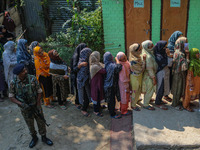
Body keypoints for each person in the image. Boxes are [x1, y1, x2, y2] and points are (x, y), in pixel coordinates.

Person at [9, 64, 53, 148]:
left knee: (41, 122)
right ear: (18, 74)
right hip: (25, 109)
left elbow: (39, 91)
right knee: (30, 124)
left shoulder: (32, 78)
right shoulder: (13, 83)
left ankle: (44, 137)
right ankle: (34, 138)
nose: (25, 71)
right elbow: (11, 97)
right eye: (23, 71)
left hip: (36, 106)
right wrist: (21, 104)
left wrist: (37, 103)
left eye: (25, 69)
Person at [154, 41, 173, 110]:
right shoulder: (159, 56)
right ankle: (157, 103)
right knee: (160, 88)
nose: (166, 48)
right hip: (161, 73)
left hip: (165, 72)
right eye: (165, 47)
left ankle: (160, 100)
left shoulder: (162, 54)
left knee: (164, 87)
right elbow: (169, 64)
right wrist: (168, 55)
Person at [171, 37, 189, 110]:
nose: (187, 45)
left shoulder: (177, 51)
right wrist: (187, 56)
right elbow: (185, 67)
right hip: (179, 74)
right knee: (178, 89)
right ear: (181, 44)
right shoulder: (180, 54)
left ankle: (177, 102)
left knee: (178, 88)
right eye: (185, 43)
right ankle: (175, 104)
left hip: (177, 73)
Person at [165, 31, 183, 102]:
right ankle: (166, 95)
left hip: (179, 65)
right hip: (171, 66)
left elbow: (186, 50)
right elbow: (169, 56)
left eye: (181, 36)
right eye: (179, 36)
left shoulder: (182, 44)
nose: (180, 38)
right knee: (169, 80)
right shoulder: (170, 46)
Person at [104, 52, 122, 119]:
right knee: (112, 100)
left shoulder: (106, 64)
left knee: (110, 100)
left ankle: (111, 110)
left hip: (107, 85)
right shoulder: (111, 65)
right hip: (110, 85)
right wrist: (117, 60)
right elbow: (119, 67)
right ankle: (112, 114)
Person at [129, 43, 146, 111]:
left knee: (139, 89)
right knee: (135, 91)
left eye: (141, 49)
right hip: (135, 77)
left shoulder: (138, 57)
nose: (140, 51)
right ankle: (133, 105)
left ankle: (137, 100)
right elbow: (141, 70)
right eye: (139, 50)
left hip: (138, 76)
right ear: (134, 51)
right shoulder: (134, 61)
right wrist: (144, 61)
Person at [89, 51, 106, 117]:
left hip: (98, 82)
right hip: (96, 83)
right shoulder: (94, 66)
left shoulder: (97, 64)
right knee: (96, 95)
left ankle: (99, 106)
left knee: (98, 94)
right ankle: (96, 111)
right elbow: (104, 71)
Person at [71, 43, 88, 109]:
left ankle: (82, 102)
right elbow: (74, 69)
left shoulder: (83, 56)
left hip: (80, 76)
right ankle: (77, 102)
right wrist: (80, 65)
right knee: (78, 90)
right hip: (75, 76)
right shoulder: (75, 57)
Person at [142, 40, 157, 110]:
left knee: (149, 90)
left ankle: (148, 100)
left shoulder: (149, 53)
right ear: (146, 47)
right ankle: (146, 104)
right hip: (149, 76)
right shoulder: (148, 56)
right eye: (150, 46)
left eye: (152, 45)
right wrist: (153, 78)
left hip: (150, 75)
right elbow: (149, 69)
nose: (152, 47)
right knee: (150, 90)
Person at [77, 48, 92, 116]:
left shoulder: (84, 61)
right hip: (82, 82)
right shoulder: (83, 63)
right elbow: (83, 73)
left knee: (86, 95)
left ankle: (86, 106)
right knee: (84, 95)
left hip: (85, 82)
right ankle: (83, 109)